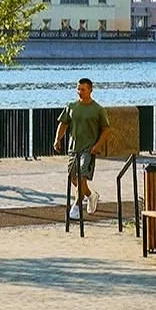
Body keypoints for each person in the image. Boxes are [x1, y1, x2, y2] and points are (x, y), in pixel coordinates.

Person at [54, 78, 111, 219]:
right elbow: (63, 124)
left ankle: (77, 207)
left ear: (90, 90)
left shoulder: (98, 109)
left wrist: (97, 146)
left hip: (89, 149)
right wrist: (57, 139)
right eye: (78, 89)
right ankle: (91, 195)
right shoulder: (72, 106)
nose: (80, 92)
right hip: (74, 149)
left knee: (81, 177)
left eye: (83, 89)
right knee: (73, 178)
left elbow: (106, 129)